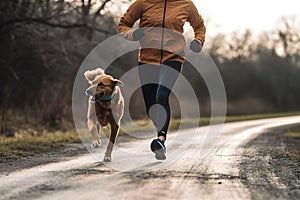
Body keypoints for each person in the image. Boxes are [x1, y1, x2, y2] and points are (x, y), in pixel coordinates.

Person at [119, 0, 206, 160]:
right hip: (147, 59)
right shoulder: (143, 2)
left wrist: (198, 41)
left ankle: (161, 140)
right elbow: (124, 24)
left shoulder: (185, 4)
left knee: (161, 96)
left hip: (173, 57)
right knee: (151, 105)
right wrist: (133, 34)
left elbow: (199, 26)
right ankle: (161, 132)